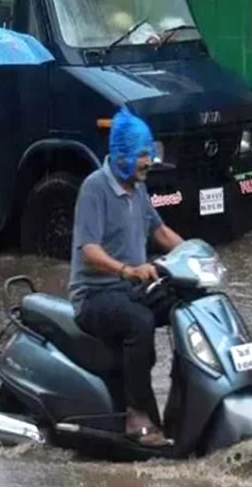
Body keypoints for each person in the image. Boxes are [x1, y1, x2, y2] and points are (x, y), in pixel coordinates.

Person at [68, 106, 183, 447]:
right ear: (122, 155)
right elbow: (87, 249)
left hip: (131, 288)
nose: (149, 162)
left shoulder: (138, 188)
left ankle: (185, 402)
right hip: (95, 295)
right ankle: (136, 413)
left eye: (150, 154)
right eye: (142, 156)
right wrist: (127, 270)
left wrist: (197, 253)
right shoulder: (95, 188)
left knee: (183, 307)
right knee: (140, 322)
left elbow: (160, 232)